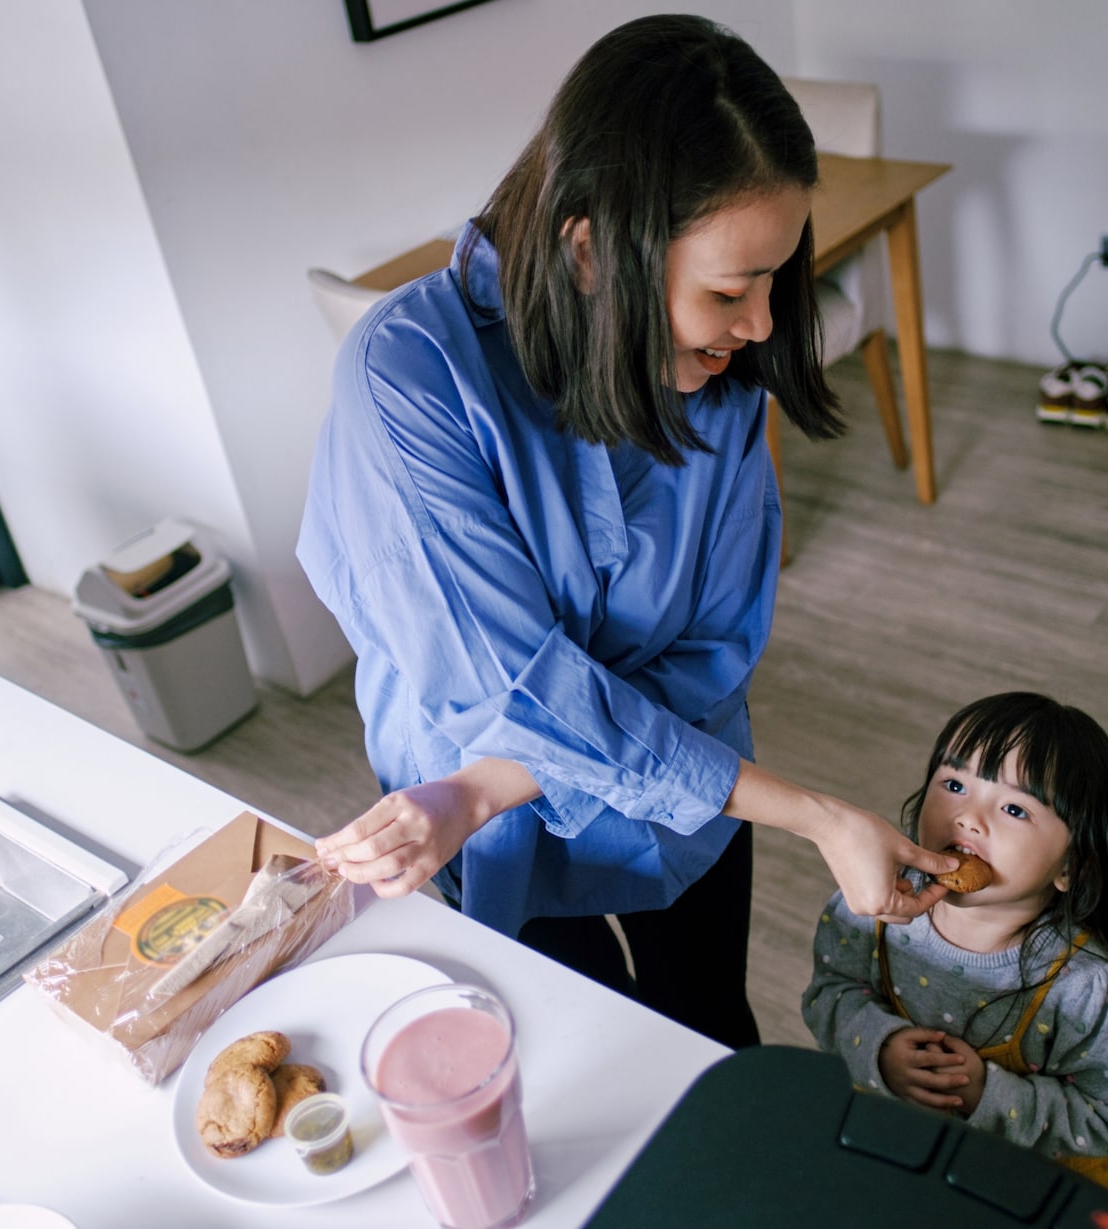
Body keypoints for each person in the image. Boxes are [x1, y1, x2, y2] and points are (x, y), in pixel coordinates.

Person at [297, 14, 956, 1050]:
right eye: (730, 290)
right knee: (581, 1057)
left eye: (774, 283)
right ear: (592, 249)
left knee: (710, 1035)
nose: (761, 326)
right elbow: (508, 687)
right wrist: (821, 816)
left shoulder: (720, 377)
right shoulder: (408, 375)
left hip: (617, 801)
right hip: (494, 832)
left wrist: (490, 778)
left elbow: (711, 651)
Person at [802, 692, 1108, 1198]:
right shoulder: (871, 905)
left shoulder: (1084, 989)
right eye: (954, 784)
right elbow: (829, 994)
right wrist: (878, 1048)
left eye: (1015, 808)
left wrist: (986, 1095)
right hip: (903, 1150)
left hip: (1027, 1187)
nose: (968, 817)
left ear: (1070, 867)